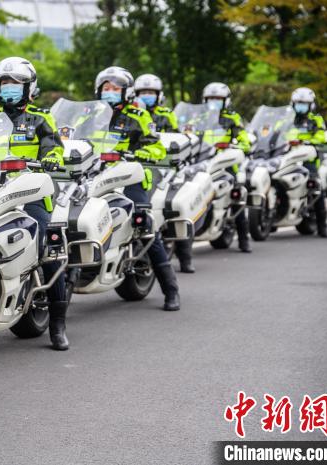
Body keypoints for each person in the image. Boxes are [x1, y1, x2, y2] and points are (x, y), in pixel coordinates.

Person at [0, 56, 70, 350]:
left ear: (28, 88)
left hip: (32, 193)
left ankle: (58, 325)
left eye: (16, 83)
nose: (9, 88)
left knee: (49, 247)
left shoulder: (40, 118)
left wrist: (50, 158)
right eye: (5, 83)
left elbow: (54, 148)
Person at [95, 66, 180, 311]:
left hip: (129, 179)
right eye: (106, 88)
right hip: (95, 179)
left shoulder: (138, 116)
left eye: (115, 89)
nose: (110, 92)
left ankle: (171, 289)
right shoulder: (90, 116)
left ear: (126, 92)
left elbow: (157, 149)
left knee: (144, 225)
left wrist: (132, 153)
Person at [135, 74, 195, 273]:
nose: (147, 96)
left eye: (150, 92)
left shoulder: (166, 114)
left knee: (174, 205)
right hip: (136, 167)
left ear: (159, 95)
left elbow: (176, 139)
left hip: (164, 166)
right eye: (143, 93)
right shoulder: (132, 114)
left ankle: (185, 257)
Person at [202, 82, 252, 253]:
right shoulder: (199, 119)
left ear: (226, 100)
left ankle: (244, 240)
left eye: (218, 99)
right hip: (203, 162)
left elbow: (245, 141)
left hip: (227, 164)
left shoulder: (233, 119)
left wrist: (234, 146)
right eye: (211, 98)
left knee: (236, 196)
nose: (214, 101)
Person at [289, 87, 327, 238]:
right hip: (287, 157)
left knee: (316, 187)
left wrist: (307, 140)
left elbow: (321, 137)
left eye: (304, 103)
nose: (301, 106)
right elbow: (276, 133)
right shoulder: (287, 119)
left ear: (311, 104)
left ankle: (322, 225)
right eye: (298, 103)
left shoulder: (316, 119)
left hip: (308, 159)